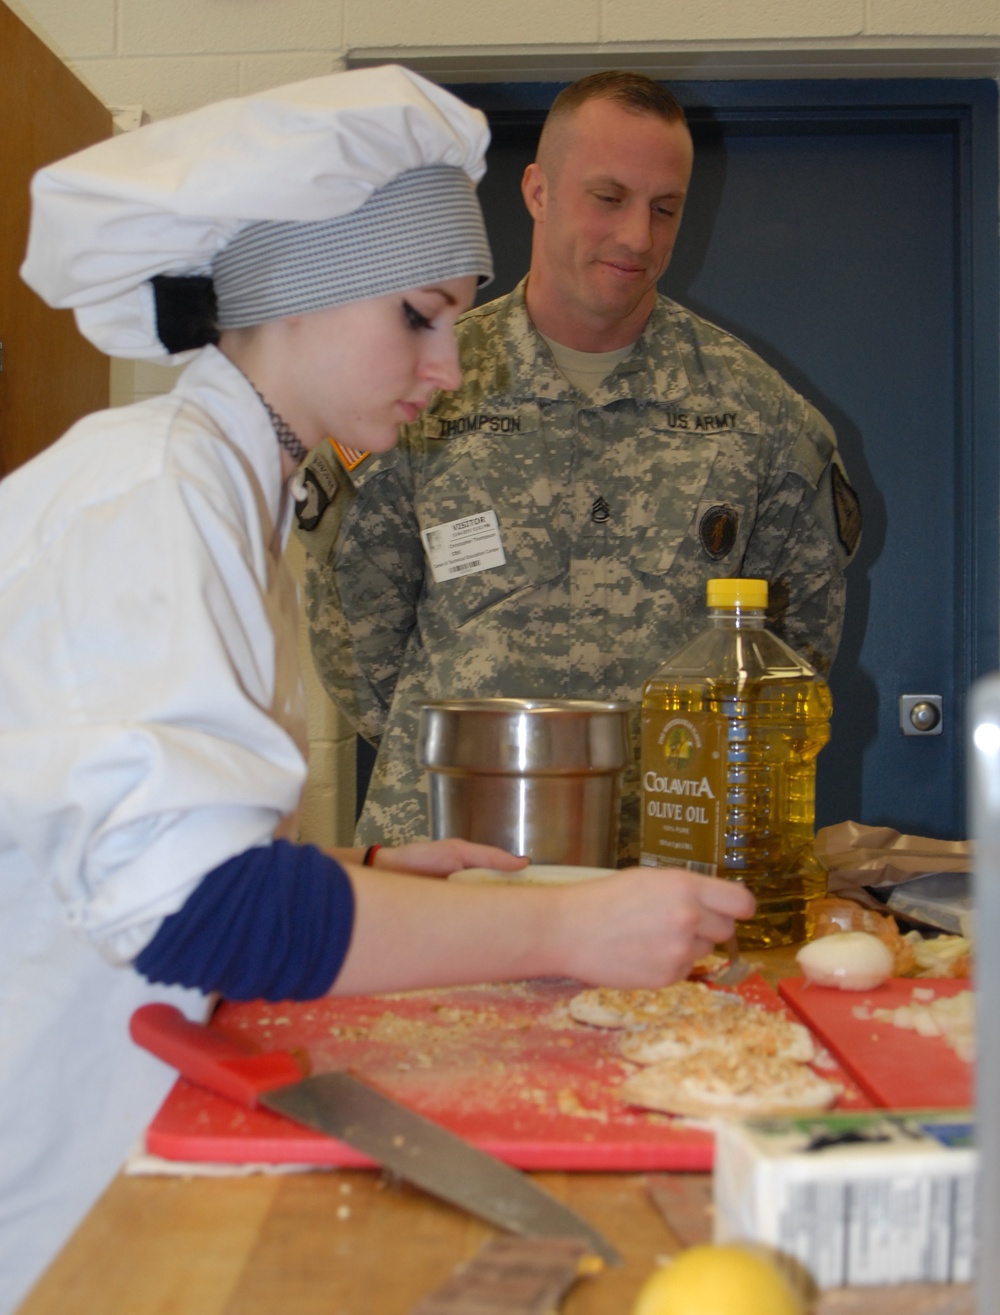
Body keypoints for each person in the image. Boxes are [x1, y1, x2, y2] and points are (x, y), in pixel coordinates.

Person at [0, 66, 753, 1313]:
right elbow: (200, 912)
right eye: (419, 317)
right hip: (54, 1175)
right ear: (293, 297)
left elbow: (139, 845)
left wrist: (361, 880)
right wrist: (567, 926)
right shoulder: (157, 497)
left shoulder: (224, 485)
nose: (451, 365)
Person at [297, 70, 862, 861]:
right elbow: (354, 641)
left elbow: (790, 650)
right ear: (537, 190)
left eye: (665, 208)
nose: (638, 235)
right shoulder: (418, 383)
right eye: (608, 197)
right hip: (450, 850)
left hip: (668, 858)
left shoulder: (757, 412)